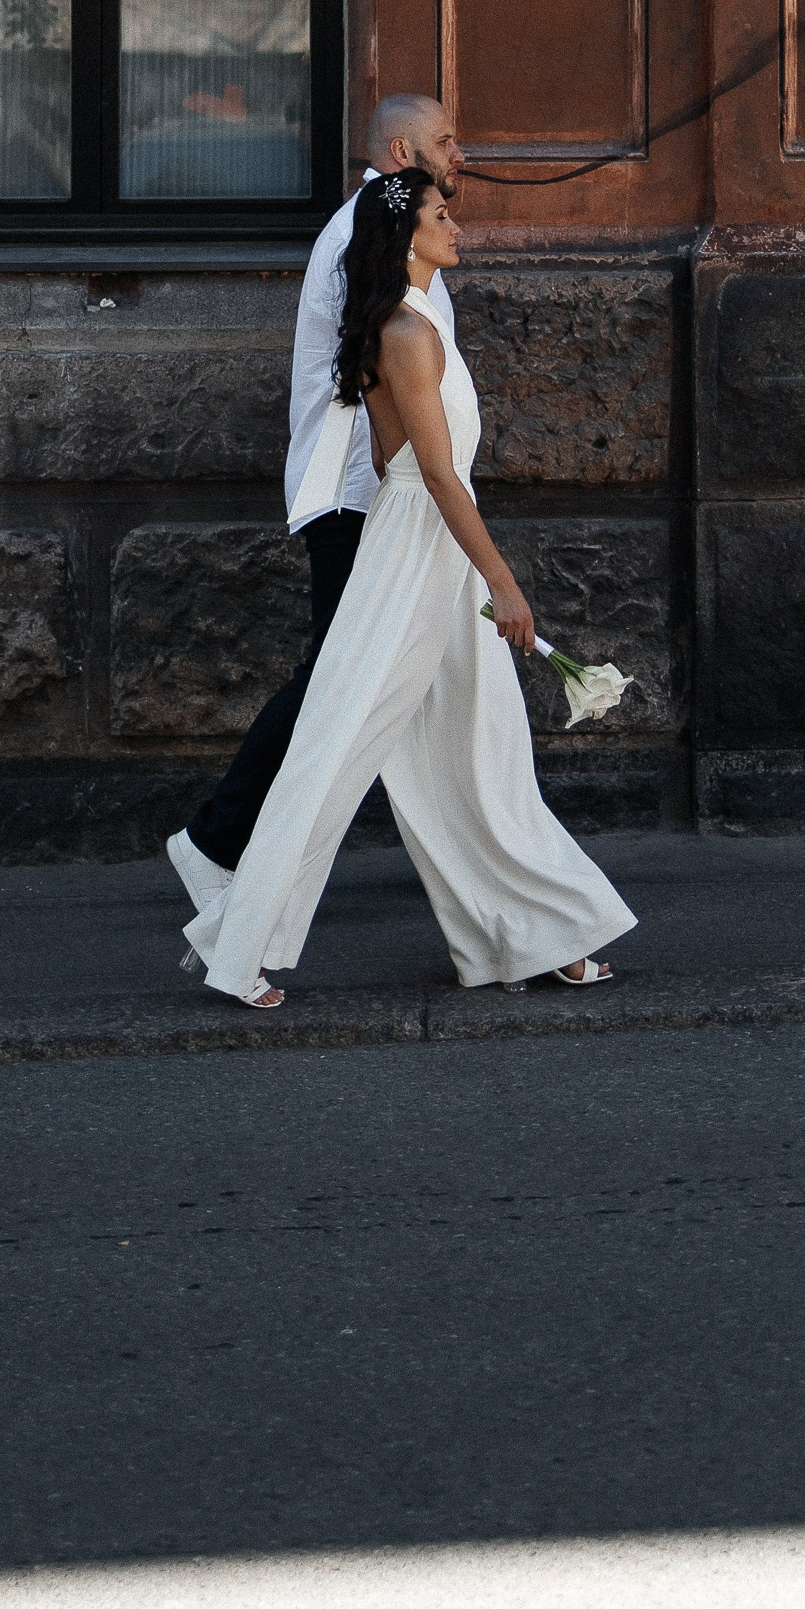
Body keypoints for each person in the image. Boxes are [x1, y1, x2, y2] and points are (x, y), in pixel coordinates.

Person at [188, 165, 636, 1012]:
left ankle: (537, 935)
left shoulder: (423, 318)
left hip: (439, 552)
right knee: (339, 744)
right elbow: (433, 473)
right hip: (411, 552)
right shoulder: (405, 333)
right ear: (406, 236)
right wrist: (501, 581)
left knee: (479, 751)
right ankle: (236, 943)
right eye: (441, 214)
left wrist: (479, 572)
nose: (457, 226)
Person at [165, 93, 462, 954]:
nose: (461, 155)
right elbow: (374, 376)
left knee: (381, 686)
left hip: (379, 494)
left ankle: (482, 885)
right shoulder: (363, 234)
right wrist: (417, 490)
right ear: (403, 149)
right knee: (339, 681)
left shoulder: (394, 225)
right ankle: (221, 844)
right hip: (358, 496)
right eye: (445, 142)